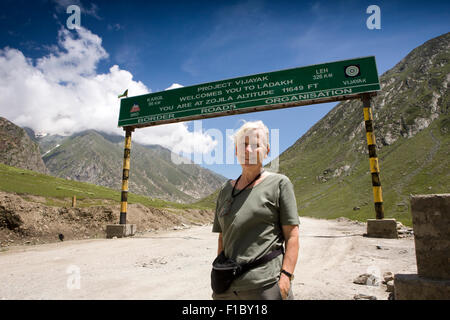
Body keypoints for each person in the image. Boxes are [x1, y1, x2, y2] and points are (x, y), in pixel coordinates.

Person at [212, 120, 300, 300]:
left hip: (265, 286)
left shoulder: (279, 184)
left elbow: (293, 236)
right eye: (243, 145)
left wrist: (285, 278)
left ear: (267, 151)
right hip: (227, 287)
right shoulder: (225, 190)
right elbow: (223, 236)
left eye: (256, 145)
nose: (248, 151)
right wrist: (220, 270)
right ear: (236, 151)